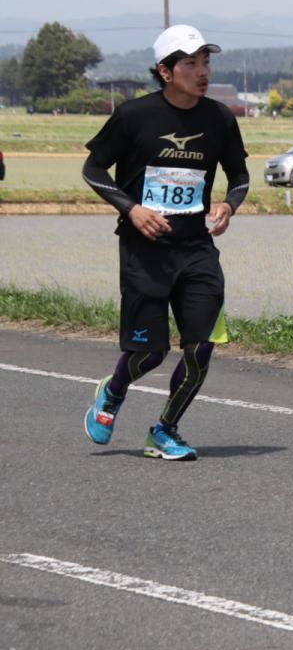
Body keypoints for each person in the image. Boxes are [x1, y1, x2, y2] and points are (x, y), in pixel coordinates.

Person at [81, 24, 249, 460]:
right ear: (165, 71)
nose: (202, 71)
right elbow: (93, 170)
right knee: (150, 354)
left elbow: (240, 176)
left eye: (206, 62)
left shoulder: (220, 119)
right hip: (145, 251)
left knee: (201, 347)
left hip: (197, 250)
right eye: (191, 63)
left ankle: (164, 430)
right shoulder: (134, 116)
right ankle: (114, 391)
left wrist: (229, 205)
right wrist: (132, 210)